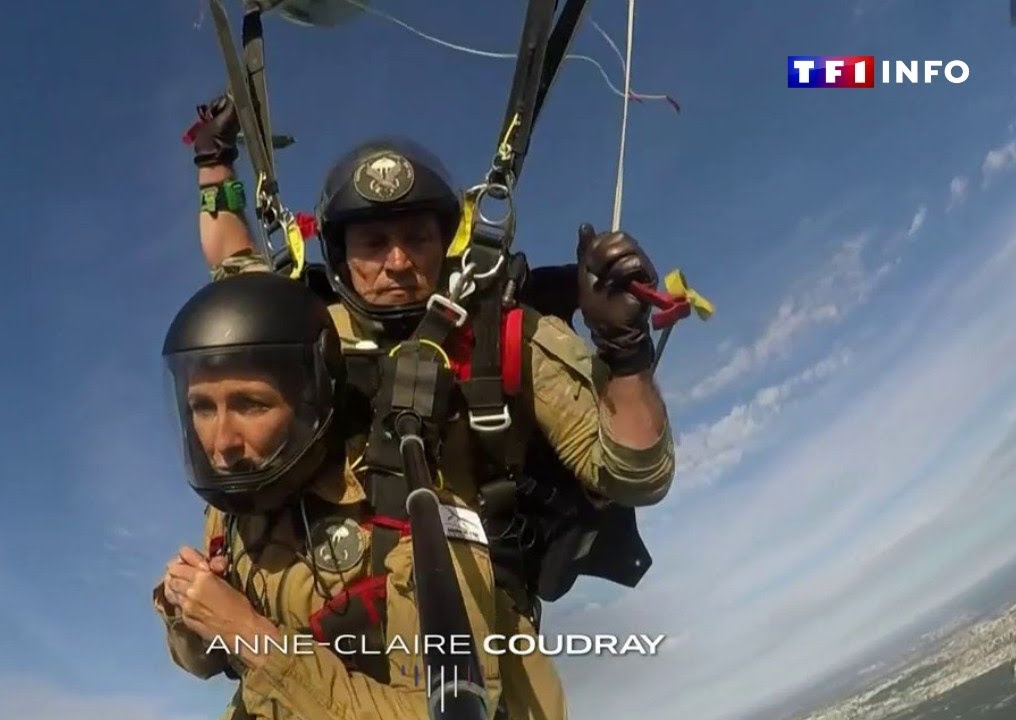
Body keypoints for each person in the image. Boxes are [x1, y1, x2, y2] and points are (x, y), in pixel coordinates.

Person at [185, 94, 678, 717]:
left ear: (445, 240)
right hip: (301, 645)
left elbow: (633, 472)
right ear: (338, 255)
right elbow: (233, 263)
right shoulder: (297, 332)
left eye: (416, 236)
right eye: (373, 241)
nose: (397, 260)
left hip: (463, 644)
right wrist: (212, 162)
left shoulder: (503, 336)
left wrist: (625, 352)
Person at [154, 271, 517, 719]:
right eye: (202, 408)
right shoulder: (231, 515)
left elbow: (441, 712)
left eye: (251, 404)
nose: (222, 441)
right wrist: (185, 604)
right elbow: (204, 663)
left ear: (310, 400)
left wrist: (249, 634)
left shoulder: (414, 510)